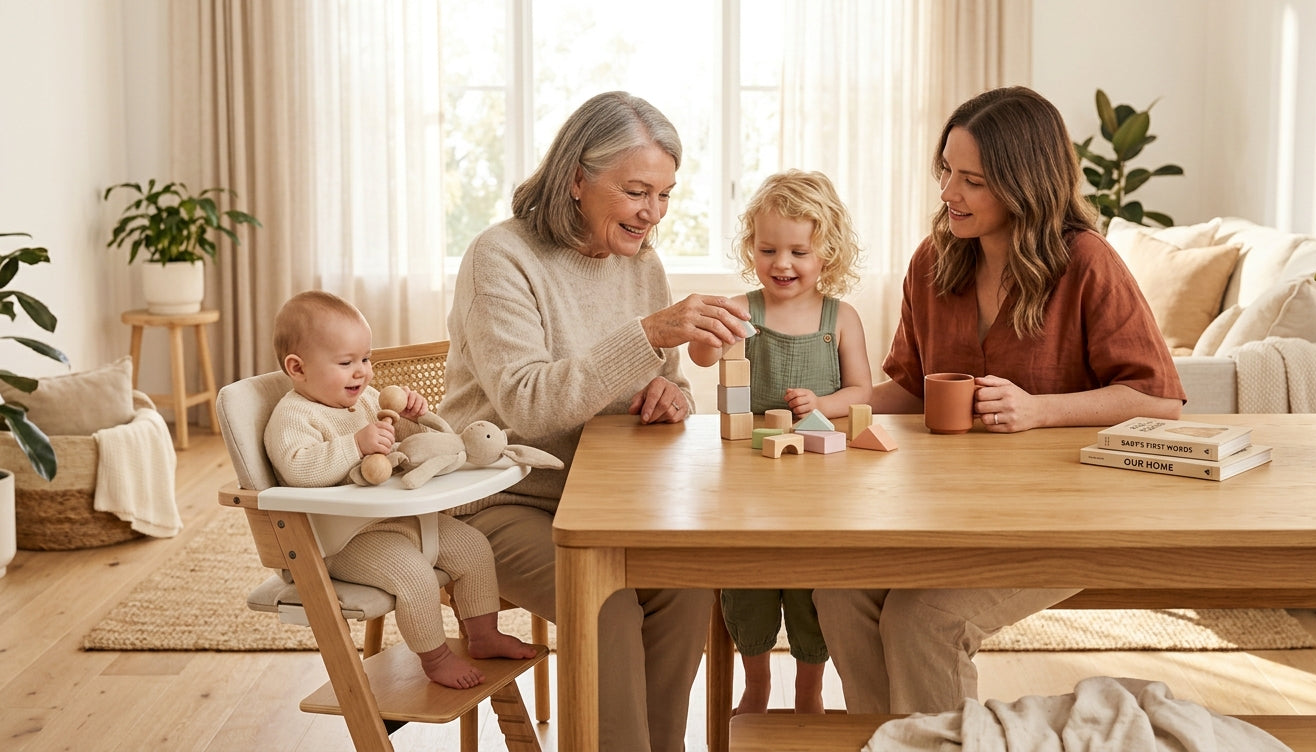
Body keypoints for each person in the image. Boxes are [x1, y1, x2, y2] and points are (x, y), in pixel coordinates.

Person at [812, 85, 1186, 715]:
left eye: (973, 181)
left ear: (1024, 185)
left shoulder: (1086, 263)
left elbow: (1160, 398)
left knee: (921, 619)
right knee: (839, 589)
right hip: (951, 512)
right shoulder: (933, 263)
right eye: (946, 173)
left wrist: (1041, 410)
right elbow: (909, 386)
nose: (949, 194)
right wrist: (829, 408)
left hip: (1063, 519)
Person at [437, 91, 753, 751]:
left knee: (686, 586)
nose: (653, 213)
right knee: (609, 606)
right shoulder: (501, 258)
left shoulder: (642, 263)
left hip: (603, 499)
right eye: (638, 190)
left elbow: (662, 379)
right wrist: (648, 333)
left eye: (665, 195)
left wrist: (672, 397)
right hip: (495, 499)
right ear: (577, 178)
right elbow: (527, 402)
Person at [263, 290, 537, 690]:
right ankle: (437, 657)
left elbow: (406, 447)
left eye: (365, 359)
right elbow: (299, 469)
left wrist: (416, 418)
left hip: (398, 519)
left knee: (476, 547)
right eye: (346, 363)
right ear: (297, 368)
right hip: (342, 539)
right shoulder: (293, 417)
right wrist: (353, 445)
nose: (362, 372)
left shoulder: (367, 401)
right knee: (415, 577)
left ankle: (483, 635)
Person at [688, 169, 871, 714]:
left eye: (799, 251)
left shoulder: (842, 318)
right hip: (748, 475)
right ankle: (757, 682)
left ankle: (809, 689)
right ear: (752, 249)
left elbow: (863, 390)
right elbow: (703, 359)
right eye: (768, 249)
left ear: (828, 255)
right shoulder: (745, 311)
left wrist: (821, 404)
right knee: (750, 584)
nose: (782, 264)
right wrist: (704, 337)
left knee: (812, 587)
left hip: (819, 478)